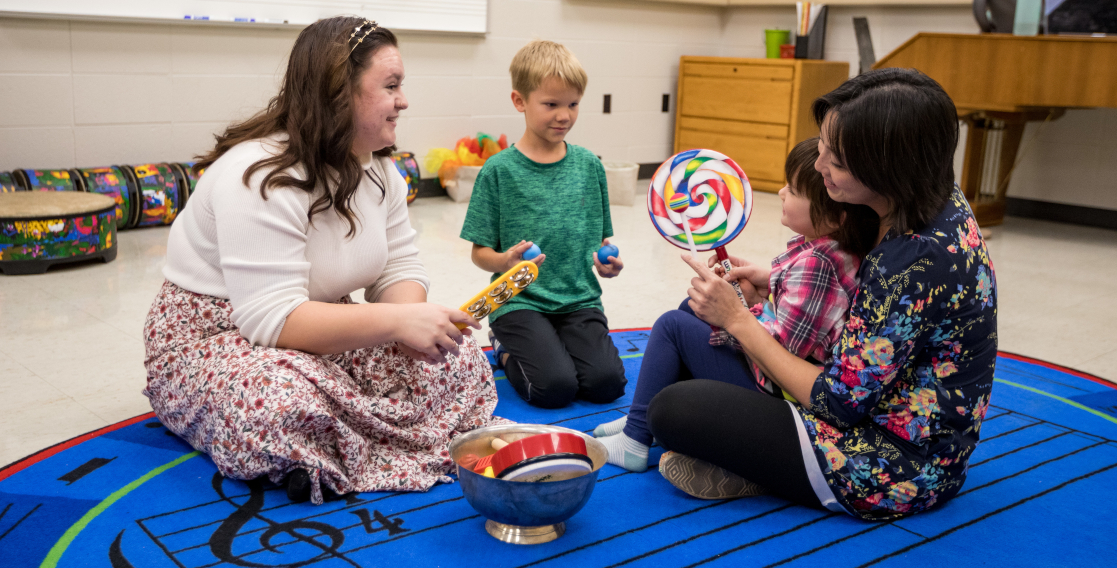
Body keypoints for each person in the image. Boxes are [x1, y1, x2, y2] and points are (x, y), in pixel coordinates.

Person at [143, 17, 504, 505]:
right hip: (221, 335)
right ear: (341, 94)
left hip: (317, 321)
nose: (404, 100)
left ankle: (329, 444)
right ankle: (311, 441)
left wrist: (412, 326)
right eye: (391, 86)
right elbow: (271, 319)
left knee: (457, 366)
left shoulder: (380, 171)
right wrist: (399, 323)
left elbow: (398, 269)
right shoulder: (259, 177)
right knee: (277, 403)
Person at [647, 68, 998, 521]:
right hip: (885, 416)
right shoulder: (933, 195)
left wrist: (740, 319)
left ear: (884, 168)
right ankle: (760, 462)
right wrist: (774, 283)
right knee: (692, 319)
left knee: (677, 409)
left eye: (835, 161)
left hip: (893, 467)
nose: (817, 166)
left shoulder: (911, 263)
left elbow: (838, 402)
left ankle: (766, 473)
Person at [593, 138, 878, 473]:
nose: (782, 193)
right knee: (691, 307)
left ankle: (635, 440)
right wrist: (759, 292)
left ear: (836, 218)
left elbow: (785, 350)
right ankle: (642, 413)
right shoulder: (825, 250)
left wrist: (734, 311)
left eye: (794, 190)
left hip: (777, 392)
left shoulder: (819, 265)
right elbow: (797, 313)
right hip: (777, 376)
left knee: (672, 325)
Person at [460, 40, 626, 409]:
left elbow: (603, 239)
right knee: (553, 388)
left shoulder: (589, 166)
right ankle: (503, 346)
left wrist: (609, 263)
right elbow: (479, 253)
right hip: (519, 302)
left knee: (607, 384)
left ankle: (554, 344)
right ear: (520, 101)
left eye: (572, 104)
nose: (563, 115)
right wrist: (504, 262)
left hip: (579, 299)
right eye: (551, 104)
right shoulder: (498, 170)